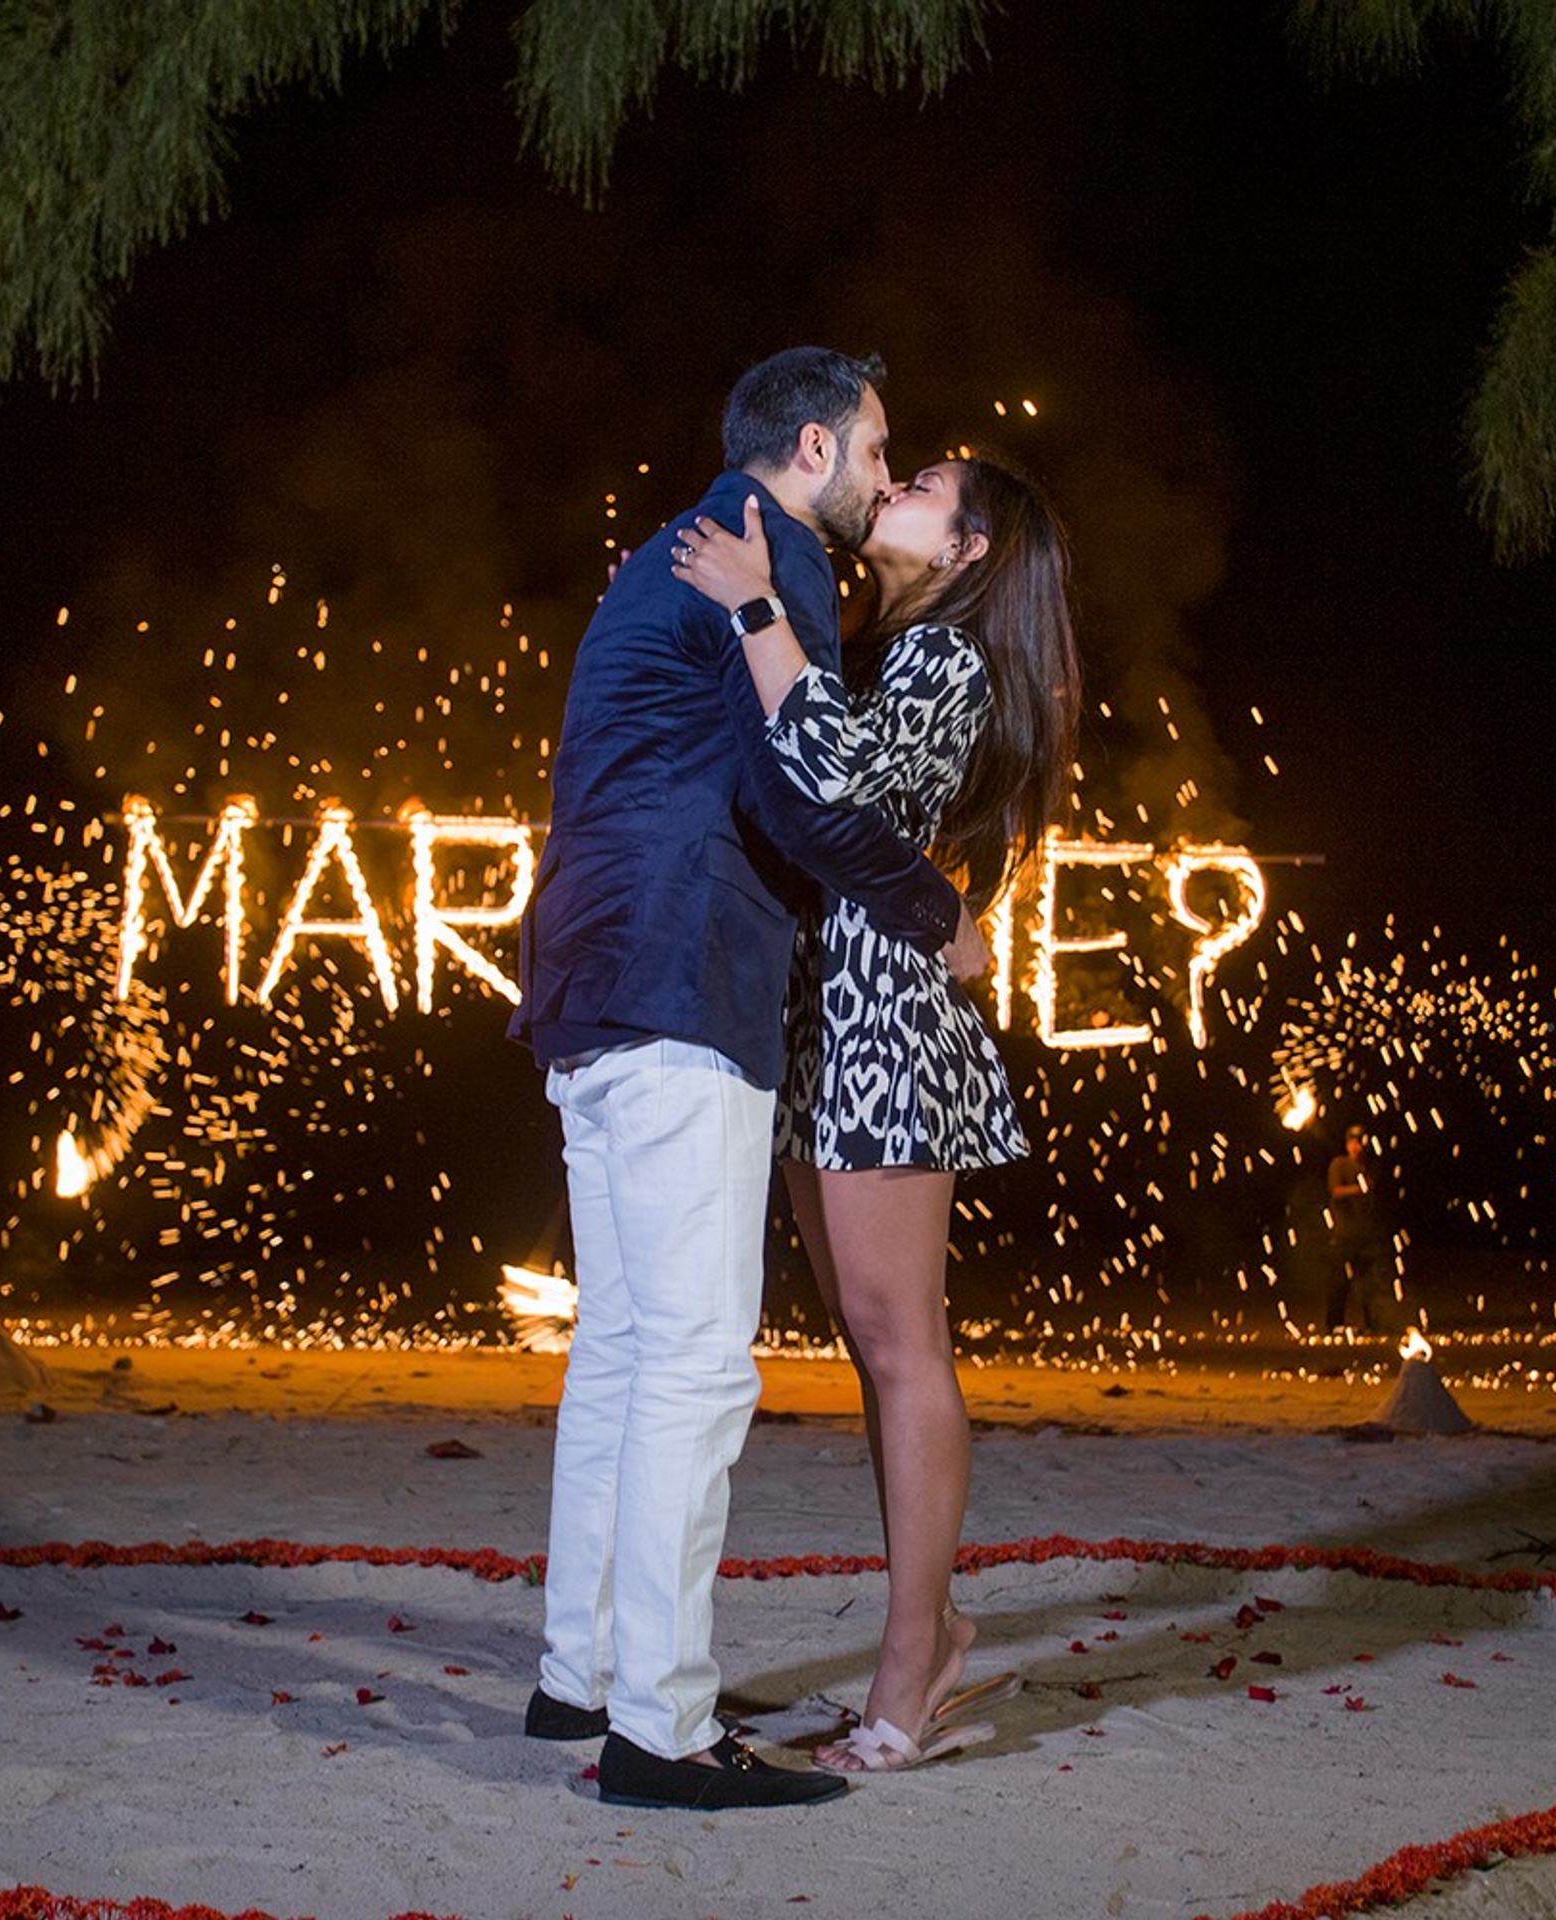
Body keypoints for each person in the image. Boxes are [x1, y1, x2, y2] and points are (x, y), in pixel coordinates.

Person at [508, 347, 989, 1811]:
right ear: (815, 448)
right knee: (698, 1362)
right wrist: (938, 911)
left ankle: (581, 1675)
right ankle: (659, 1729)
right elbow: (805, 797)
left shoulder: (671, 550)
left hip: (586, 970)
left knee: (620, 1347)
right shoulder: (770, 560)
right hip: (682, 973)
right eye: (879, 449)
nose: (884, 476)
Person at [670, 449, 1081, 1772]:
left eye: (925, 486)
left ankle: (915, 1663)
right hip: (825, 1018)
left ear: (968, 550)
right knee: (872, 1338)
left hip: (883, 1024)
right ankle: (929, 1628)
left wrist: (752, 604)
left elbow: (836, 777)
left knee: (901, 1343)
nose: (892, 484)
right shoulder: (883, 648)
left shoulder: (949, 657)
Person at [1326, 1122, 1390, 1332]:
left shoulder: (1369, 1168)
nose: (1356, 1147)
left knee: (1367, 1282)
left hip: (1364, 1234)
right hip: (1343, 1234)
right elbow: (1336, 1191)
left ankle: (1372, 1323)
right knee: (1340, 1281)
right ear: (1347, 1145)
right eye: (1352, 1142)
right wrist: (1359, 1189)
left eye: (1360, 1143)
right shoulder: (1339, 1164)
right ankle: (1334, 1324)